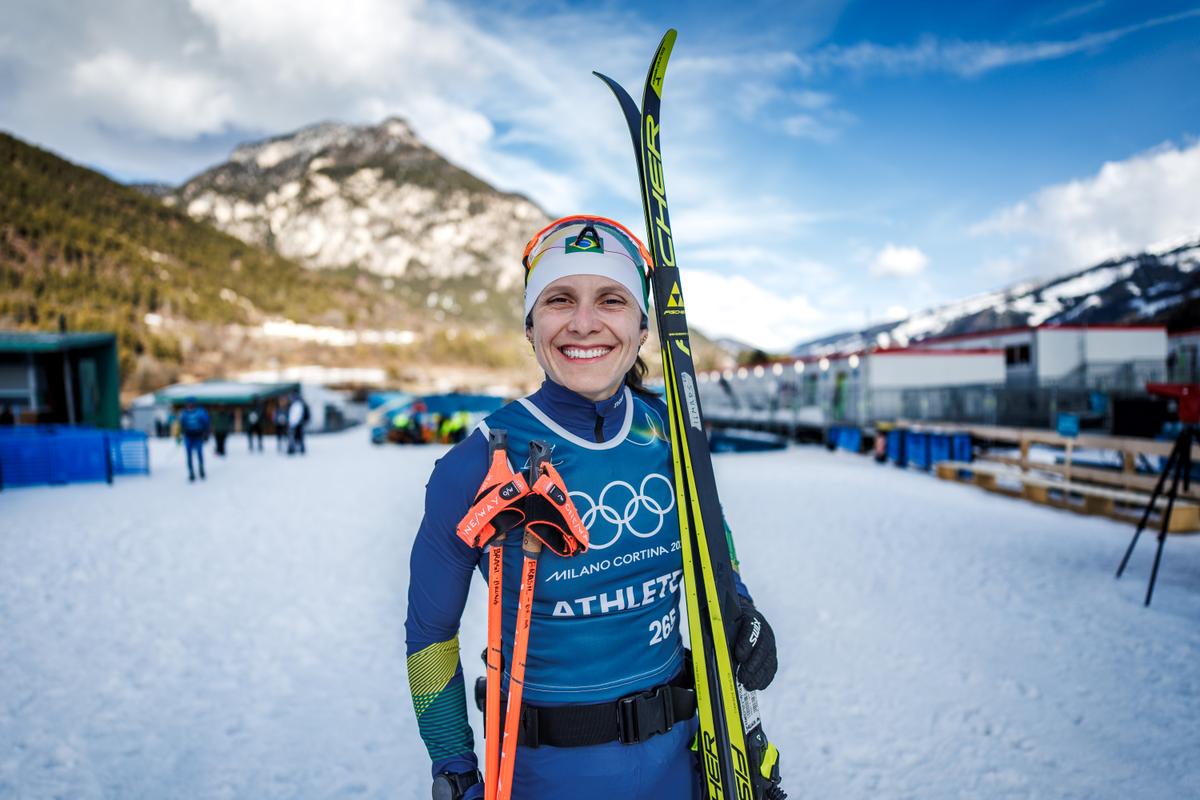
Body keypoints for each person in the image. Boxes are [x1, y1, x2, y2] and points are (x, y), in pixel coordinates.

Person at [405, 216, 778, 800]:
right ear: (530, 326)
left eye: (611, 299)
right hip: (544, 778)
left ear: (641, 326)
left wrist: (744, 609)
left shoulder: (674, 438)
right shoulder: (476, 463)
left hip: (683, 770)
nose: (584, 323)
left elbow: (716, 545)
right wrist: (454, 768)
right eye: (559, 299)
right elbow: (430, 639)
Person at [178, 398, 210, 482]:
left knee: (199, 453)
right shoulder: (184, 413)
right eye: (188, 404)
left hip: (198, 436)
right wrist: (180, 434)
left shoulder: (200, 412)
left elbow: (206, 423)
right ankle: (191, 472)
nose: (190, 405)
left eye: (191, 404)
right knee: (189, 455)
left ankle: (201, 469)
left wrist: (206, 434)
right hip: (188, 436)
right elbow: (181, 424)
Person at [287, 391, 309, 455]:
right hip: (295, 424)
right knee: (296, 437)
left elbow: (296, 416)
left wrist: (293, 423)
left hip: (297, 424)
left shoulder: (298, 405)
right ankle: (295, 449)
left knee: (298, 437)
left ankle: (298, 449)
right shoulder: (295, 404)